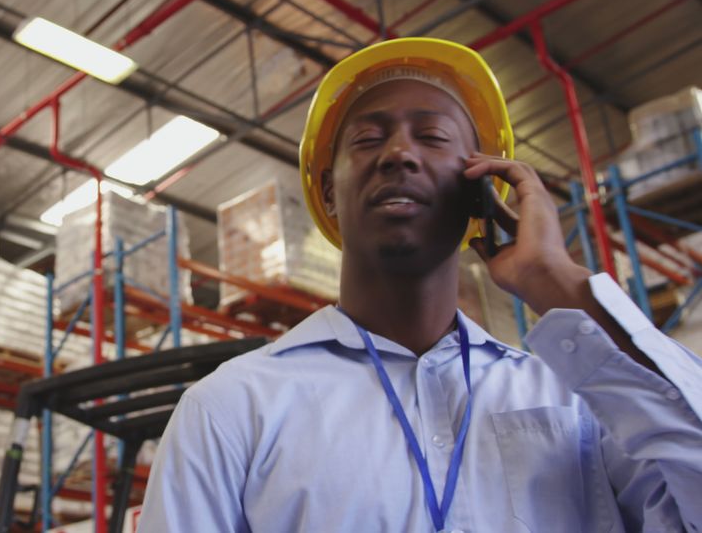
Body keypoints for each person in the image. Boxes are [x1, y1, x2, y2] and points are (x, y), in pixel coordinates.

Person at [138, 38, 702, 532]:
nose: (399, 153)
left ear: (483, 187)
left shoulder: (575, 403)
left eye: (432, 137)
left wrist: (553, 280)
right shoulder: (233, 407)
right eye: (366, 140)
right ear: (329, 191)